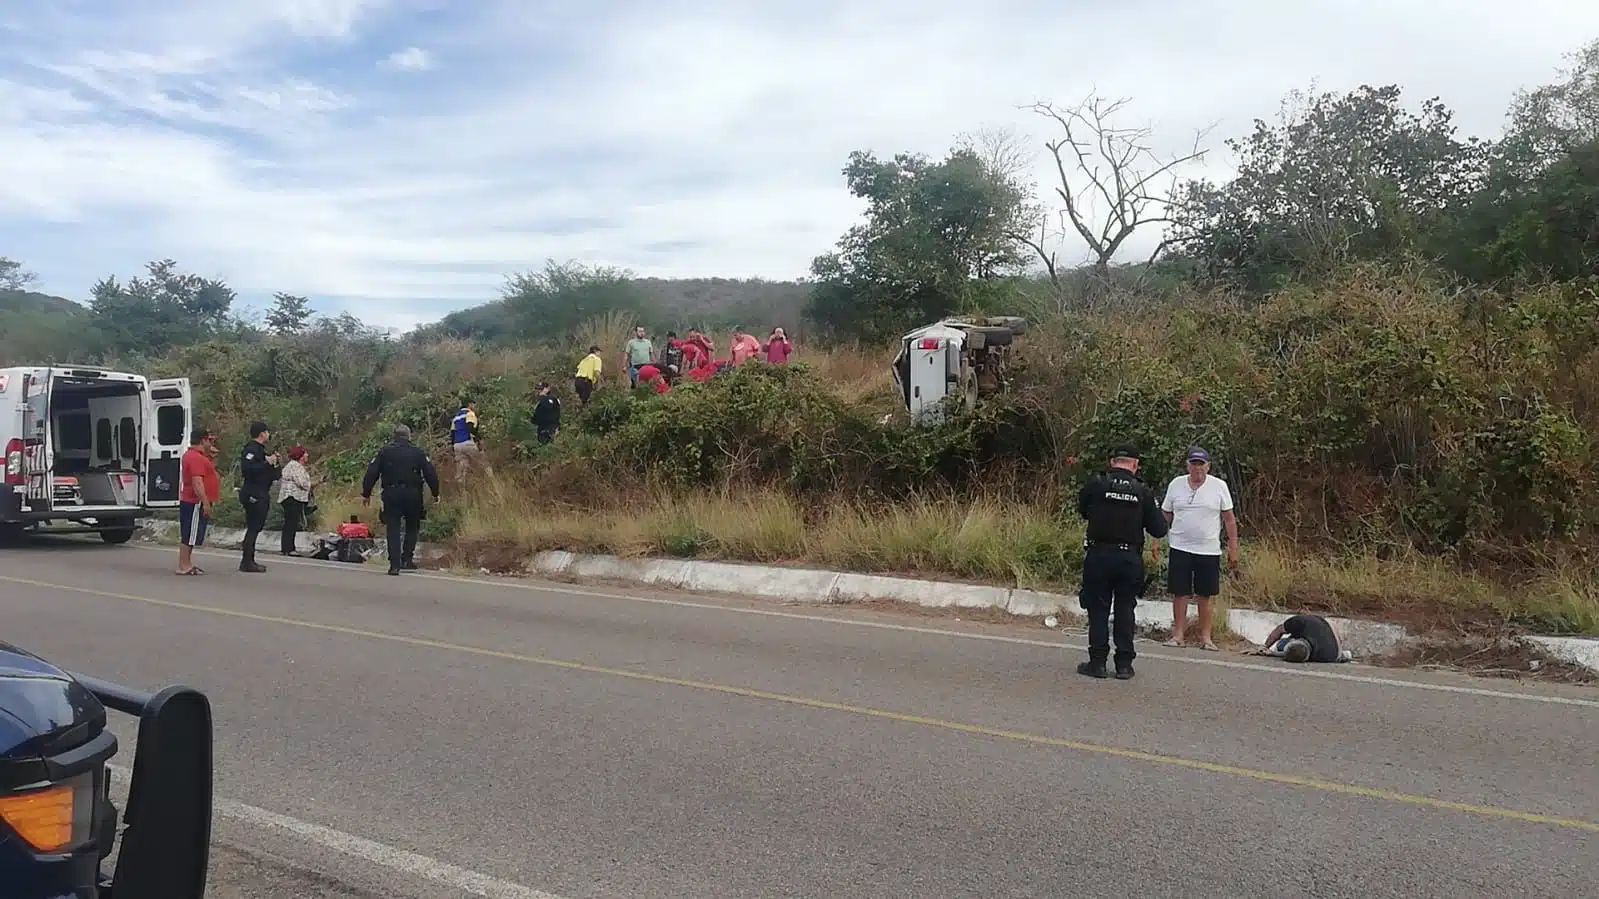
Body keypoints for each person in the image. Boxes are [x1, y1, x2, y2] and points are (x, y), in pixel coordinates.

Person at [1076, 444, 1170, 680]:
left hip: (1099, 554)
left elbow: (1083, 511)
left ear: (1112, 462)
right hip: (1129, 558)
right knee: (1125, 609)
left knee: (1097, 608)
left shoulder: (1096, 485)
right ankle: (1124, 665)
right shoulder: (1143, 492)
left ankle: (1097, 663)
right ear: (1136, 465)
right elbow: (1159, 529)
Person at [1159, 447, 1239, 651]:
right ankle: (1178, 635)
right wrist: (1156, 540)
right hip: (1180, 547)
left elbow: (1229, 520)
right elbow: (1165, 515)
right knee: (1180, 592)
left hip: (1209, 550)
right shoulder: (1176, 484)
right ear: (1187, 465)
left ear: (1208, 466)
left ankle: (1206, 638)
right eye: (1193, 464)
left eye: (1201, 464)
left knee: (1205, 595)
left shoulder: (1219, 486)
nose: (1197, 469)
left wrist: (1233, 548)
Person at [361, 424, 440, 576]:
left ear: (394, 436)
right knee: (412, 527)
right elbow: (430, 472)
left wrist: (366, 493)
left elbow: (371, 473)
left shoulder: (384, 452)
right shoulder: (417, 453)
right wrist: (436, 492)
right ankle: (407, 559)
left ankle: (394, 565)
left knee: (393, 528)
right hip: (413, 494)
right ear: (409, 436)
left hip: (391, 493)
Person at [237, 420, 281, 573]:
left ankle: (249, 559)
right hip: (253, 492)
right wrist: (266, 463)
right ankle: (247, 561)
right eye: (267, 432)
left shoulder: (262, 451)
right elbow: (247, 469)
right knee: (253, 527)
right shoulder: (252, 449)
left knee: (257, 526)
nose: (269, 434)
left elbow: (274, 476)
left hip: (263, 491)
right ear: (262, 433)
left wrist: (275, 463)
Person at [175, 427, 220, 576]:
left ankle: (185, 563)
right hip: (194, 501)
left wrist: (210, 455)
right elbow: (197, 481)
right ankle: (184, 565)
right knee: (190, 533)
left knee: (190, 533)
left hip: (193, 500)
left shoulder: (197, 456)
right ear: (203, 440)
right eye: (209, 440)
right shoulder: (195, 458)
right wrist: (205, 502)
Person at [1254, 614, 1351, 663]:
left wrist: (1269, 651)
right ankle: (1344, 654)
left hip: (1331, 648)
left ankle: (1344, 654)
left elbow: (1294, 652)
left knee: (1281, 645)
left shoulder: (1326, 656)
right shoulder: (1299, 622)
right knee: (1284, 645)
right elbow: (1279, 630)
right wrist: (1264, 647)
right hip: (1333, 649)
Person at [278, 445, 314, 556]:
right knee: (291, 523)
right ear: (301, 456)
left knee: (289, 523)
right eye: (305, 453)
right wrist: (310, 484)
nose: (307, 455)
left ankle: (286, 548)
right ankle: (289, 548)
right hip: (293, 497)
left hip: (288, 497)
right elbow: (302, 482)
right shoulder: (296, 466)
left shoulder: (291, 465)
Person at [450, 400, 492, 485]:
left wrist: (453, 448)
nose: (475, 407)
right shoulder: (470, 413)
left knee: (461, 471)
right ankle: (491, 481)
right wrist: (479, 440)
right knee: (483, 462)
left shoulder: (456, 418)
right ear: (469, 405)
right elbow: (471, 428)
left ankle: (462, 491)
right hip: (467, 442)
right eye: (474, 405)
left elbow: (452, 434)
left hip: (457, 445)